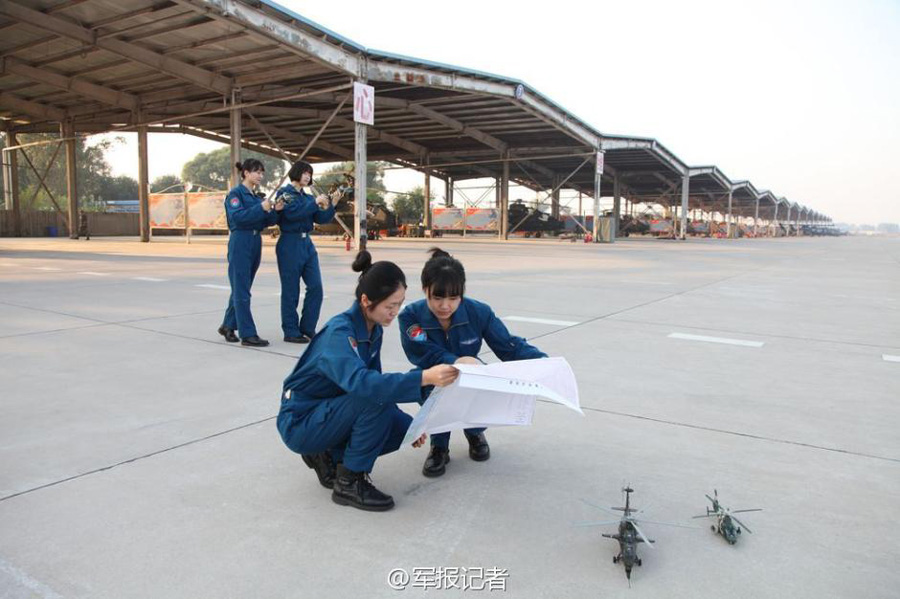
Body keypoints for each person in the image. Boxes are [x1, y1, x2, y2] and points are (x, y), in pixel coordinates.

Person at [277, 250, 459, 511]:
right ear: (366, 301)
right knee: (373, 397)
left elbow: (378, 384)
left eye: (399, 304)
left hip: (330, 411)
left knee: (402, 432)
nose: (395, 312)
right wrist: (423, 377)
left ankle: (328, 455)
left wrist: (412, 426)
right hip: (301, 420)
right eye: (389, 305)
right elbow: (366, 385)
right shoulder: (340, 333)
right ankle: (349, 482)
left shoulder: (372, 329)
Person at [399, 247, 547, 477]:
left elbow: (508, 345)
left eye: (453, 298)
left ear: (462, 293)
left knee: (487, 387)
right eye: (437, 297)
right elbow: (421, 352)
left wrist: (541, 362)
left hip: (472, 374)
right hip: (434, 375)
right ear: (425, 289)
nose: (445, 306)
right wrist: (456, 361)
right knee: (428, 388)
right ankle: (439, 446)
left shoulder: (479, 312)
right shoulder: (410, 315)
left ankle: (475, 432)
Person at [218, 159, 282, 347]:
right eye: (257, 172)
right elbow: (237, 218)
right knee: (242, 289)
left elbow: (266, 221)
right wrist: (260, 208)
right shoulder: (236, 194)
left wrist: (275, 211)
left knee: (243, 286)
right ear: (246, 173)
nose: (260, 176)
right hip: (241, 240)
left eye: (262, 173)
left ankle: (228, 325)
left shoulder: (256, 197)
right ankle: (247, 334)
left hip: (255, 241)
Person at [275, 160, 337, 343]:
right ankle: (290, 331)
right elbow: (292, 214)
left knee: (316, 287)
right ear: (296, 173)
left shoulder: (308, 197)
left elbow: (320, 218)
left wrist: (332, 205)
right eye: (305, 172)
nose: (308, 176)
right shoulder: (285, 193)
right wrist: (315, 202)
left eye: (310, 174)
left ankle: (308, 327)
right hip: (290, 242)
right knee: (291, 290)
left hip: (307, 244)